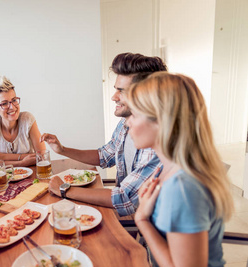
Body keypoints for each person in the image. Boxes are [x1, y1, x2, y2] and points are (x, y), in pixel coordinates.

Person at [127, 73, 241, 267]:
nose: (127, 121)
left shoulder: (183, 187)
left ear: (161, 120)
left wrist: (142, 221)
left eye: (134, 114)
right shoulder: (169, 168)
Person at [41, 53, 166, 216]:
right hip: (139, 219)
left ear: (144, 94)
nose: (114, 97)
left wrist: (65, 190)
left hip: (148, 223)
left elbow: (124, 199)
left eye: (121, 91)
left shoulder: (157, 143)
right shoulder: (127, 122)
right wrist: (62, 150)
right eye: (115, 89)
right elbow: (105, 155)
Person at [0, 76, 46, 168]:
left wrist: (2, 157)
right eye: (4, 103)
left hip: (30, 177)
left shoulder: (27, 119)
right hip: (3, 179)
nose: (12, 107)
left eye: (14, 100)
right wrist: (22, 163)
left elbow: (43, 156)